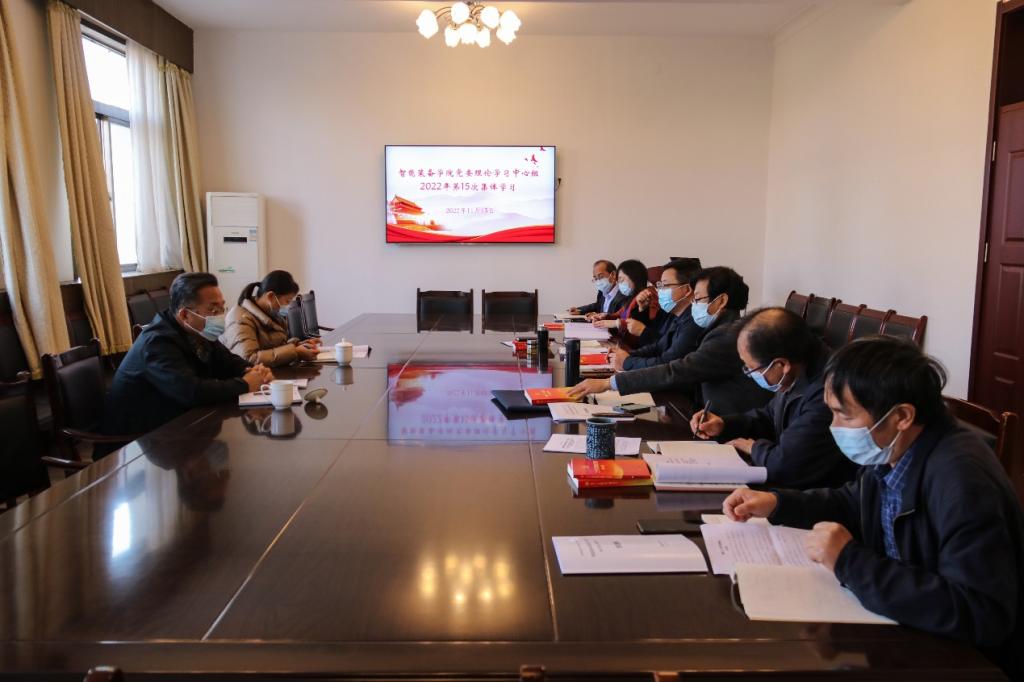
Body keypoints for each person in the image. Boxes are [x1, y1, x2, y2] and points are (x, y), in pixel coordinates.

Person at [722, 337, 1024, 677]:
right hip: (901, 626)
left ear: (902, 416)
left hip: (959, 659)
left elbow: (980, 613)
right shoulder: (898, 448)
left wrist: (848, 561)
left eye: (843, 414)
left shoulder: (962, 480)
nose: (833, 427)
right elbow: (854, 501)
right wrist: (779, 503)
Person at [690, 307, 858, 488]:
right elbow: (771, 416)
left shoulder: (828, 392)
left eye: (751, 368)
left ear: (781, 365)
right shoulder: (797, 366)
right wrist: (725, 424)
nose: (749, 373)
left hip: (818, 493)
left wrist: (754, 448)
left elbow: (785, 465)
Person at [569, 266, 770, 416]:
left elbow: (677, 370)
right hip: (706, 415)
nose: (694, 305)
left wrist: (609, 383)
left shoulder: (728, 337)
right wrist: (628, 358)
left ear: (722, 301)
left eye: (698, 299)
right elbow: (661, 346)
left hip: (725, 425)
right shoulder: (719, 327)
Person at [101, 272, 273, 436]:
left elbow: (227, 361)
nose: (221, 316)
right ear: (185, 315)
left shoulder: (198, 331)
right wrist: (245, 384)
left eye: (222, 307)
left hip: (178, 424)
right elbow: (191, 391)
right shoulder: (157, 343)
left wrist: (252, 371)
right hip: (139, 440)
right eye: (213, 310)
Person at [612, 258, 704, 371]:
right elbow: (659, 346)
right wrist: (628, 355)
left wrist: (627, 362)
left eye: (665, 285)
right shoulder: (672, 312)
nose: (660, 290)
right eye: (659, 285)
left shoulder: (695, 320)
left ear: (687, 290)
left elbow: (667, 362)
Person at [220, 270, 320, 367]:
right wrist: (295, 351)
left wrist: (299, 345)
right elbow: (249, 359)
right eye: (287, 301)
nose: (288, 306)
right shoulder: (240, 319)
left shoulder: (271, 314)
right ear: (271, 296)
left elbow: (275, 347)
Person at [590, 258, 663, 348]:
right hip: (623, 343)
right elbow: (620, 314)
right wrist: (605, 316)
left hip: (636, 348)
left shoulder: (648, 294)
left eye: (621, 280)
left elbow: (650, 324)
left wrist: (617, 323)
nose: (619, 284)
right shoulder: (632, 296)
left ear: (634, 277)